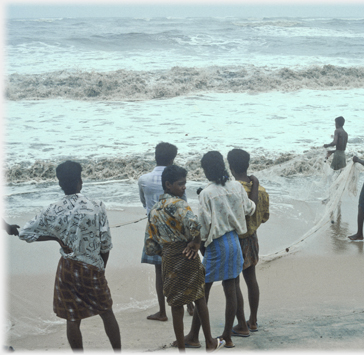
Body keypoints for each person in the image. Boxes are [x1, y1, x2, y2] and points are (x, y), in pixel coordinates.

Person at [16, 160, 121, 351]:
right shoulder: (96, 205)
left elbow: (25, 233)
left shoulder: (51, 209)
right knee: (106, 311)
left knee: (72, 318)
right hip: (92, 266)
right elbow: (105, 243)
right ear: (80, 181)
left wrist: (56, 239)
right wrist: (101, 268)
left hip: (68, 267)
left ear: (59, 183)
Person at [145, 165, 225, 352]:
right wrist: (196, 243)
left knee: (176, 304)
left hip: (169, 260)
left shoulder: (154, 210)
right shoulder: (180, 204)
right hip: (188, 256)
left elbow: (150, 245)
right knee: (199, 298)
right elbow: (195, 224)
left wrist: (166, 252)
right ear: (168, 184)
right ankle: (210, 342)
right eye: (181, 184)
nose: (183, 188)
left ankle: (182, 348)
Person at [184, 151, 256, 349]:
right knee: (231, 288)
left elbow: (204, 225)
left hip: (217, 244)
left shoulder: (207, 193)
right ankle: (227, 336)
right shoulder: (236, 186)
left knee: (202, 290)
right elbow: (250, 208)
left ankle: (193, 335)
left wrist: (200, 244)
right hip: (235, 241)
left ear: (207, 171)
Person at [138, 142, 194, 321]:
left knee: (159, 271)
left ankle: (162, 311)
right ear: (172, 159)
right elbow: (183, 203)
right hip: (175, 229)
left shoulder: (143, 179)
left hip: (154, 228)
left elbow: (143, 202)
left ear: (155, 156)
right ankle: (190, 304)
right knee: (182, 265)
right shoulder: (176, 178)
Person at [227, 149, 269, 336]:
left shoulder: (230, 190)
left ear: (230, 166)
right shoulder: (260, 190)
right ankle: (253, 320)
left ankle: (241, 323)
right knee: (251, 279)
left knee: (234, 282)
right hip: (252, 239)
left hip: (234, 239)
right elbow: (264, 217)